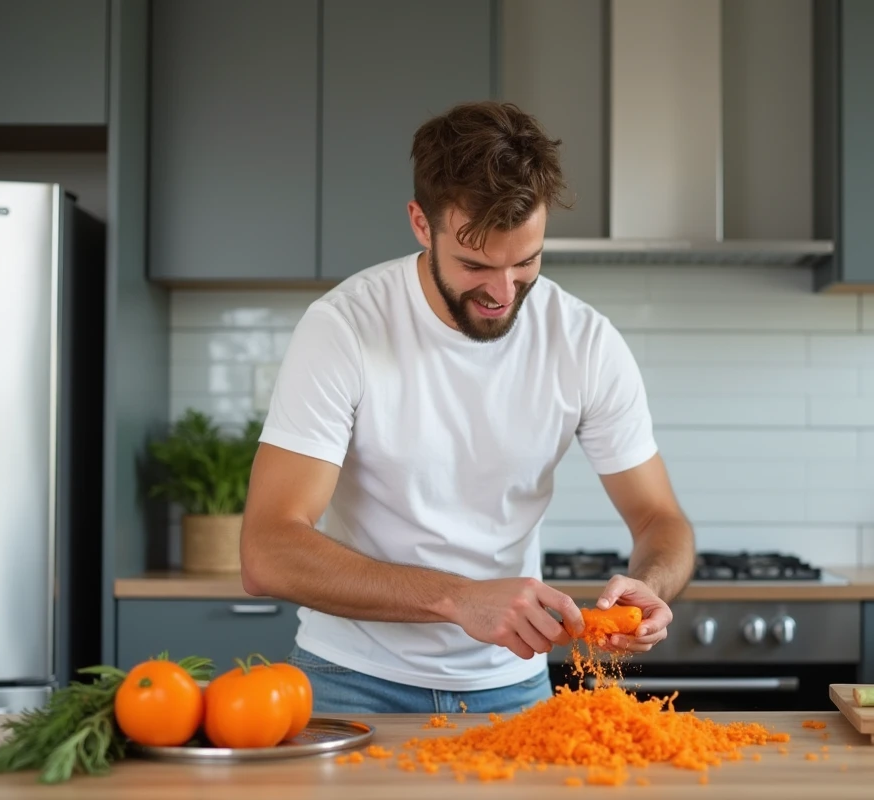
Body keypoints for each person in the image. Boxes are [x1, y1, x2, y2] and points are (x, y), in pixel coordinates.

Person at [240, 100, 695, 715]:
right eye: (476, 265)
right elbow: (267, 550)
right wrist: (459, 599)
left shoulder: (585, 341)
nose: (503, 293)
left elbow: (659, 518)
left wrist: (654, 584)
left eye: (526, 262)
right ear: (421, 225)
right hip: (352, 682)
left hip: (514, 689)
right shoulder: (343, 328)